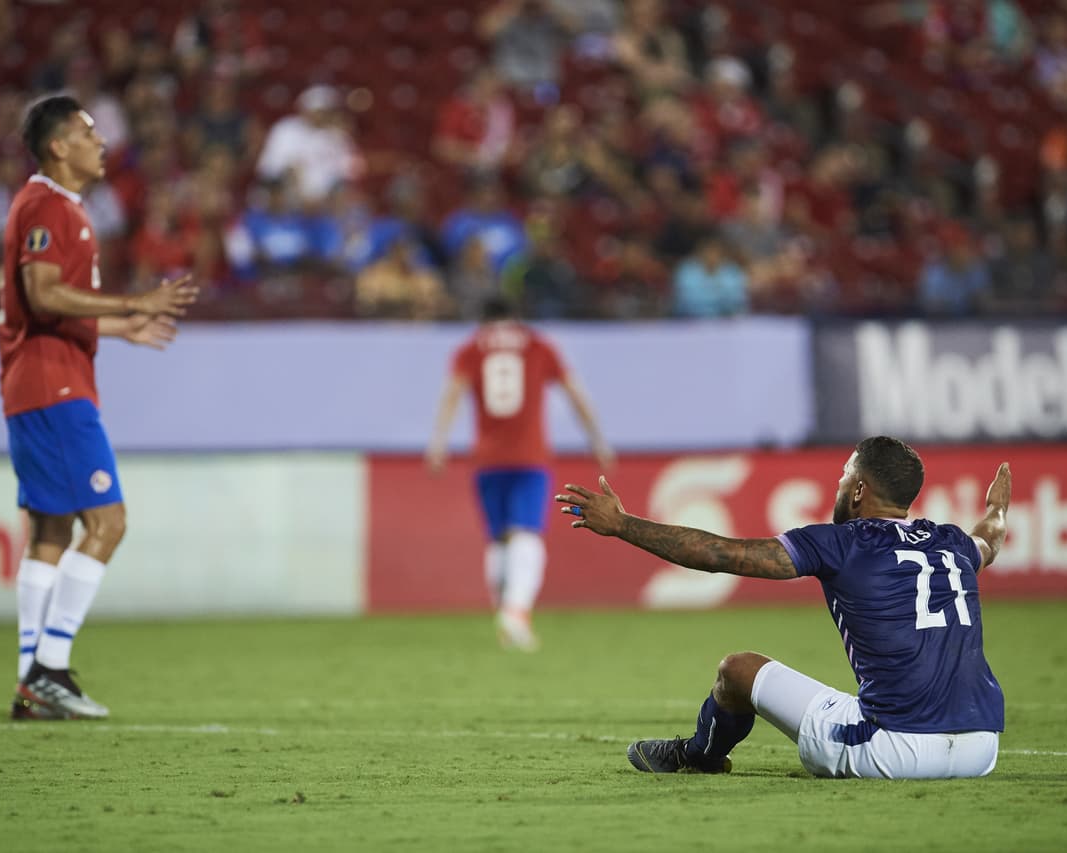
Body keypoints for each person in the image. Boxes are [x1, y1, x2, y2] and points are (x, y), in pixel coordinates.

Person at [556, 436, 1009, 779]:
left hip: (892, 750)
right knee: (858, 699)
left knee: (737, 670)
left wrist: (622, 524)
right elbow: (989, 538)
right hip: (981, 748)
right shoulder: (952, 543)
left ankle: (700, 757)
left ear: (859, 490)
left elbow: (721, 555)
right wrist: (997, 509)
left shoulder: (839, 543)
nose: (840, 482)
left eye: (844, 476)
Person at [0, 95, 199, 720]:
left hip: (37, 384)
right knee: (107, 524)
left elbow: (47, 309)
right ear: (59, 146)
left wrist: (121, 327)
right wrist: (131, 302)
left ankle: (30, 680)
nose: (101, 141)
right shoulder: (46, 206)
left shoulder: (58, 208)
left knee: (52, 532)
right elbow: (43, 294)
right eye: (87, 132)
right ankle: (49, 669)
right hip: (55, 389)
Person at [427, 296, 613, 651]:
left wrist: (438, 443)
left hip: (486, 459)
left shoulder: (470, 348)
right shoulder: (538, 344)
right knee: (526, 533)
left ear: (484, 319)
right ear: (515, 316)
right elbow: (575, 393)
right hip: (530, 457)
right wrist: (597, 440)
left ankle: (504, 610)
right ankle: (515, 615)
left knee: (499, 539)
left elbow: (452, 394)